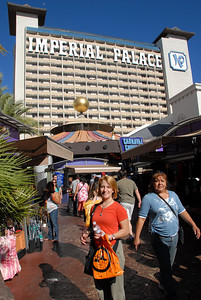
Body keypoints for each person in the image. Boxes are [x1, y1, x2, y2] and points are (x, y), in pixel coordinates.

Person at [134, 171, 200, 299]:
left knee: (169, 264)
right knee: (165, 265)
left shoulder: (174, 195)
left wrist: (193, 224)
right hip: (158, 237)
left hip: (174, 237)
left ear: (166, 183)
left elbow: (182, 211)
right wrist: (137, 238)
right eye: (156, 181)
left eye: (162, 181)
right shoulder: (148, 198)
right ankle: (171, 292)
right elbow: (141, 218)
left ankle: (163, 282)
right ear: (153, 183)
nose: (159, 183)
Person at [81, 175, 129, 300]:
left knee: (116, 290)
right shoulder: (95, 207)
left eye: (108, 187)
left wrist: (110, 236)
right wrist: (87, 234)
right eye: (102, 187)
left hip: (113, 250)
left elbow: (126, 231)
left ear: (113, 190)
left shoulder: (118, 208)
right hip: (98, 251)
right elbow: (93, 226)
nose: (105, 190)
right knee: (101, 288)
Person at [117, 169, 141, 244]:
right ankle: (129, 234)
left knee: (128, 220)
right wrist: (140, 201)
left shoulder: (118, 183)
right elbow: (137, 191)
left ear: (119, 175)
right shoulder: (132, 182)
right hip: (132, 202)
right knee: (128, 218)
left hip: (124, 202)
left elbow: (115, 192)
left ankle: (131, 235)